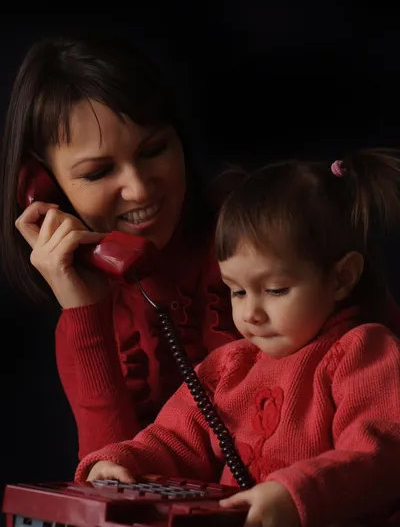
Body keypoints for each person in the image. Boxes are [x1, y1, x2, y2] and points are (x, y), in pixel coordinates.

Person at [76, 150, 400, 526]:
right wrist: (120, 462)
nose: (250, 314)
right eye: (237, 291)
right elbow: (174, 439)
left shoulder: (366, 352)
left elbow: (381, 452)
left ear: (341, 278)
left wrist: (295, 495)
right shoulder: (228, 366)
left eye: (276, 290)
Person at [0, 32, 240, 460]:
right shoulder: (86, 320)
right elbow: (108, 485)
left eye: (154, 150)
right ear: (45, 189)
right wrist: (84, 312)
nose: (139, 188)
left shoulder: (263, 228)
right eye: (97, 172)